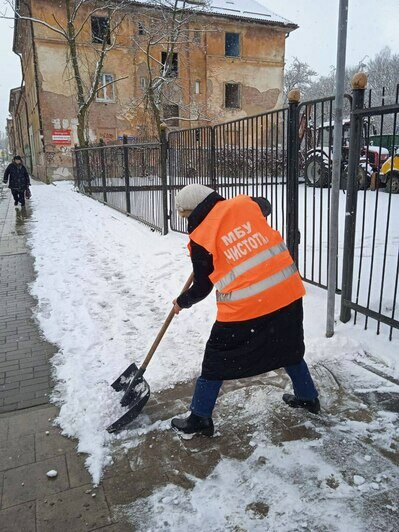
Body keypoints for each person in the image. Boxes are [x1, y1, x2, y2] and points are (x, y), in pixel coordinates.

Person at [171, 184, 320, 437]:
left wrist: (181, 301)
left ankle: (200, 418)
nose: (187, 221)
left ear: (193, 210)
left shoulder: (201, 237)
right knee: (289, 347)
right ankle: (308, 398)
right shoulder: (245, 204)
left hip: (246, 306)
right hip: (286, 293)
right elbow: (266, 206)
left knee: (216, 359)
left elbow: (202, 287)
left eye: (185, 216)